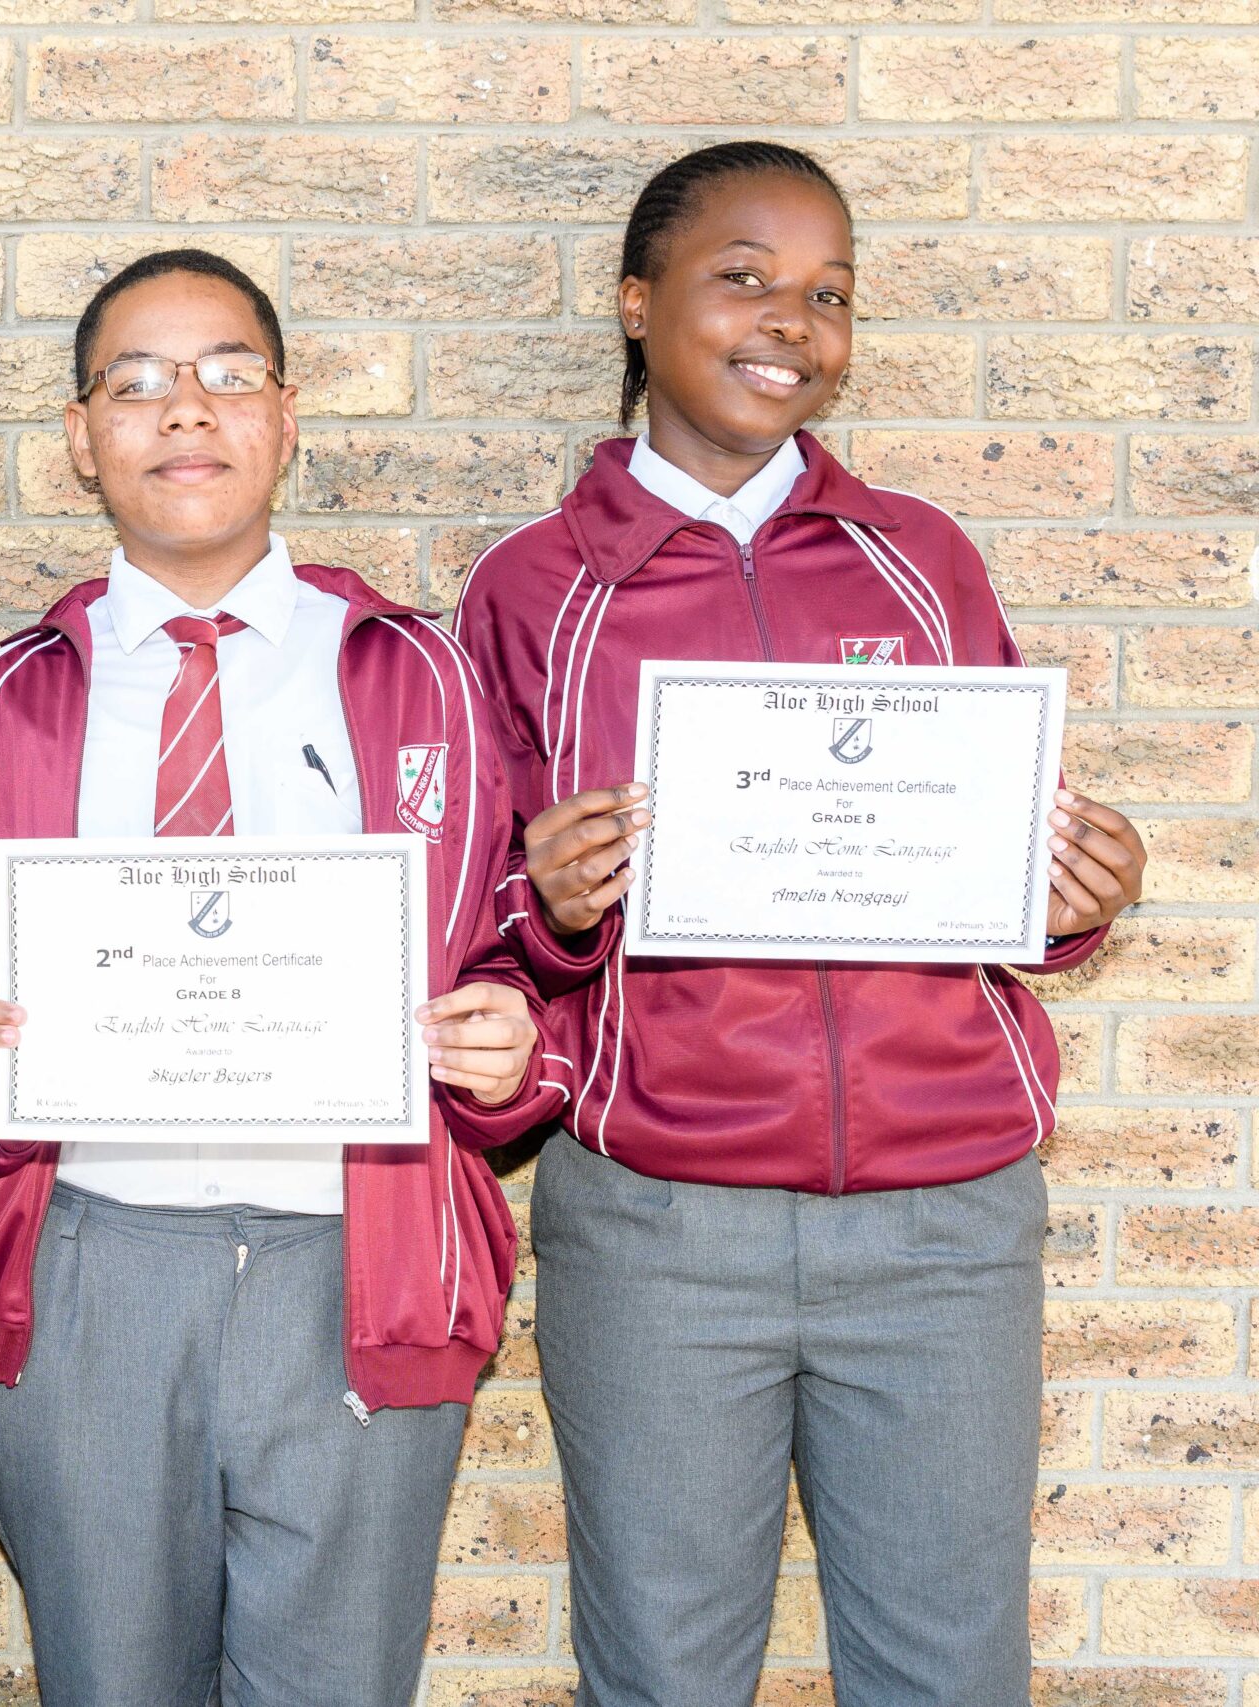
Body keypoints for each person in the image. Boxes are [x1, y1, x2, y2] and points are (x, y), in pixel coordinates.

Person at [452, 141, 1148, 1707]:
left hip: (944, 1220)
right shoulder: (532, 588)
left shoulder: (924, 557)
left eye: (829, 293)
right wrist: (547, 905)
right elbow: (480, 924)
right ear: (637, 304)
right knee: (665, 1675)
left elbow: (993, 865)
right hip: (661, 1224)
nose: (793, 321)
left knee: (949, 1675)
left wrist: (1067, 903)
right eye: (745, 278)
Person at [0, 249, 557, 1707]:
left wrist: (514, 1039)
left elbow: (519, 935)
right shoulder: (0, 703)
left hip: (354, 1253)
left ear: (285, 418)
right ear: (79, 437)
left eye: (228, 375)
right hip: (88, 1258)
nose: (184, 411)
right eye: (136, 384)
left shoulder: (420, 673)